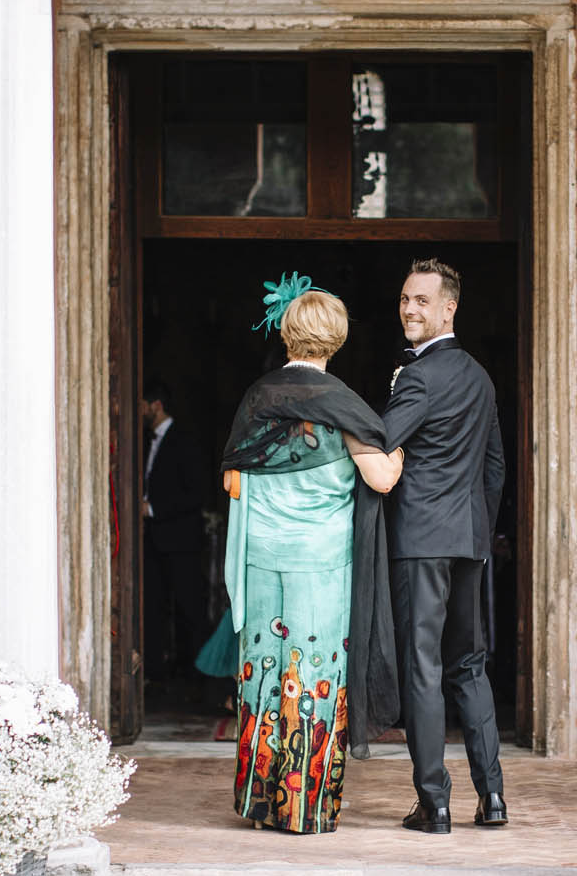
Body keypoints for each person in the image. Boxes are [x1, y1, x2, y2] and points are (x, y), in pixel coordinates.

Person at [219, 277, 402, 833]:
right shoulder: (342, 405)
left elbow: (234, 478)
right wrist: (399, 437)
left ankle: (259, 802)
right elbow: (383, 478)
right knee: (313, 676)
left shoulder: (257, 398)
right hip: (320, 562)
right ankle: (304, 808)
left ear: (286, 332)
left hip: (261, 555)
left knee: (263, 677)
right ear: (338, 340)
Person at [384, 259, 507, 835]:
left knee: (423, 667)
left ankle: (434, 804)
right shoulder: (481, 377)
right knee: (470, 666)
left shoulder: (417, 378)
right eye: (406, 299)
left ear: (448, 309)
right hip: (469, 539)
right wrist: (478, 530)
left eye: (422, 301)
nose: (410, 309)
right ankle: (494, 797)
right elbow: (495, 469)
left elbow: (385, 443)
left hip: (420, 540)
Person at [141, 380, 209, 698]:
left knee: (188, 607)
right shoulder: (143, 441)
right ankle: (156, 672)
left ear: (156, 405)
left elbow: (196, 493)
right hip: (151, 541)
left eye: (142, 404)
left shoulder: (184, 441)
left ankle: (194, 676)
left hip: (181, 541)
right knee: (152, 606)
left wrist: (152, 508)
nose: (138, 411)